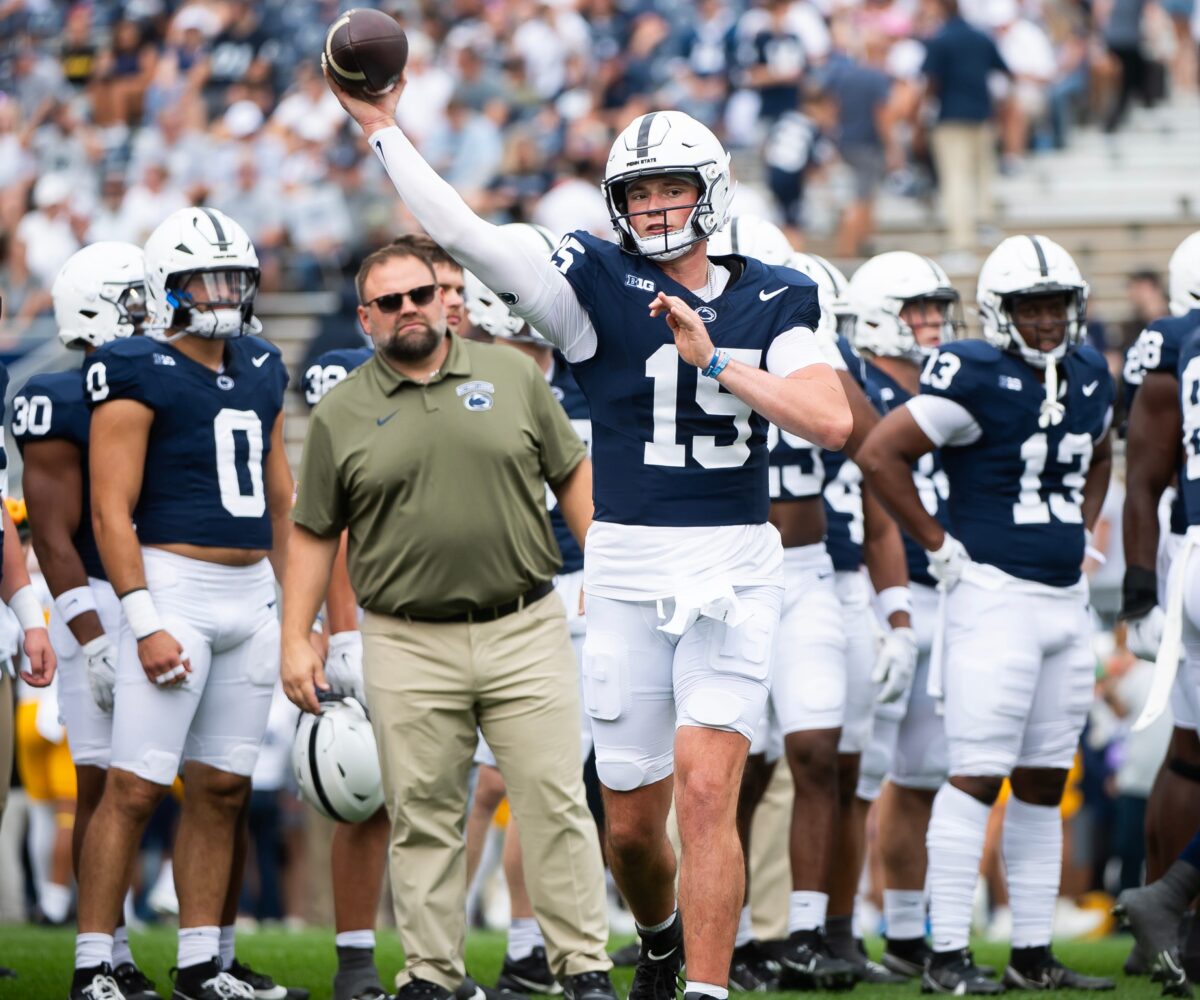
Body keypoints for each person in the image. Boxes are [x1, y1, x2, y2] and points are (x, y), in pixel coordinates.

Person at [323, 66, 852, 1000]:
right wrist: (383, 129)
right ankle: (658, 938)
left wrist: (717, 358)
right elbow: (464, 235)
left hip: (733, 560)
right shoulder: (590, 284)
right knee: (633, 829)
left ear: (712, 192)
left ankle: (708, 989)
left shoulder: (776, 295)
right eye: (637, 192)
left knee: (705, 790)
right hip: (625, 568)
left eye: (671, 188)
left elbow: (831, 421)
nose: (653, 208)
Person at [283, 239, 614, 1000]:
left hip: (525, 622)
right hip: (404, 632)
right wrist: (296, 635)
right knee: (424, 813)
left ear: (446, 297)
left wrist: (613, 579)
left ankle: (583, 967)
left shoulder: (511, 374)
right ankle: (431, 973)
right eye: (391, 302)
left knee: (555, 802)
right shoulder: (340, 409)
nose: (410, 311)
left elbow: (574, 480)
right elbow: (312, 530)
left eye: (422, 294)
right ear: (366, 318)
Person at [857, 235, 1116, 993]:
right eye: (1032, 307)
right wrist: (939, 547)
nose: (1046, 321)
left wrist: (1087, 537)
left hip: (1065, 601)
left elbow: (1102, 453)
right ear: (1001, 312)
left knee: (1041, 781)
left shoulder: (1092, 371)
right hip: (993, 597)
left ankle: (1032, 956)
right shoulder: (970, 369)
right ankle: (945, 955)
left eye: (1057, 306)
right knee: (974, 775)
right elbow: (880, 453)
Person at [71, 207, 293, 1000]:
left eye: (234, 276)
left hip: (249, 597)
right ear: (168, 288)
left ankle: (202, 961)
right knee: (133, 785)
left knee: (225, 787)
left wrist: (296, 614)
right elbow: (108, 511)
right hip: (172, 589)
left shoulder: (264, 362)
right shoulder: (134, 365)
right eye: (206, 278)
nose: (225, 292)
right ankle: (94, 962)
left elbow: (282, 498)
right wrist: (143, 619)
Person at [298, 232, 470, 1000]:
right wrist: (341, 630)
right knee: (367, 791)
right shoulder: (354, 383)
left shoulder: (491, 375)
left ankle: (441, 961)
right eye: (432, 292)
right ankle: (358, 961)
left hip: (469, 613)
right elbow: (331, 522)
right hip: (380, 616)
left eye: (449, 292)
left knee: (446, 798)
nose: (444, 305)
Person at [13, 242, 162, 999]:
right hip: (97, 604)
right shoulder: (57, 397)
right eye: (138, 299)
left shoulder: (172, 381)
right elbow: (52, 534)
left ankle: (142, 946)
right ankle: (100, 950)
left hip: (168, 594)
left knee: (166, 784)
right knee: (101, 782)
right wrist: (88, 635)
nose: (155, 311)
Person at [844, 251, 957, 980]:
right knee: (861, 773)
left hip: (945, 595)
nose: (934, 323)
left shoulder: (950, 385)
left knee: (922, 774)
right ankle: (840, 923)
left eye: (936, 308)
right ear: (882, 316)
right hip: (877, 594)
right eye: (918, 309)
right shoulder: (859, 394)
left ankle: (910, 933)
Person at [1119, 230, 1200, 976]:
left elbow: (1139, 461)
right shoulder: (1181, 340)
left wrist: (1141, 582)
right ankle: (1171, 904)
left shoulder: (1171, 337)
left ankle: (1164, 915)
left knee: (1189, 750)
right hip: (1184, 541)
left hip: (1182, 551)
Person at [921, 0, 1010, 257]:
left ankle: (962, 241)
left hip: (950, 117)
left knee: (956, 178)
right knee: (983, 175)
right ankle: (984, 225)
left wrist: (922, 114)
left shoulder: (940, 40)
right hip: (981, 115)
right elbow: (1004, 71)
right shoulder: (980, 37)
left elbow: (931, 81)